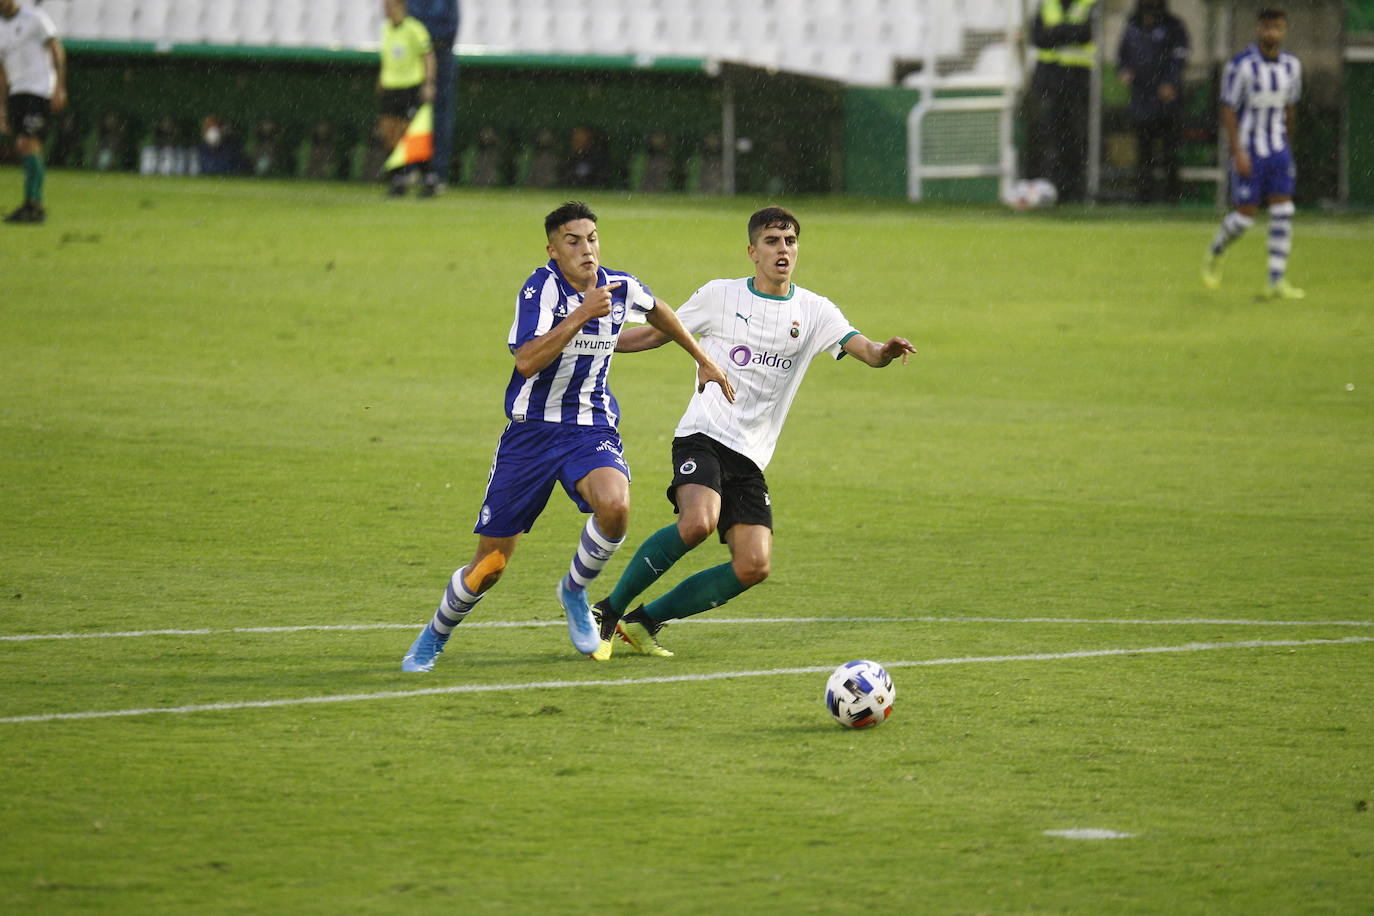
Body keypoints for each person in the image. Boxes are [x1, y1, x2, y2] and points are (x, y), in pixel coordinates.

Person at [401, 201, 736, 672]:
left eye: (592, 238)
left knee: (616, 506)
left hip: (589, 427)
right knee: (489, 566)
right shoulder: (539, 290)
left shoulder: (618, 286)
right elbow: (526, 361)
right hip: (530, 437)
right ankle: (435, 634)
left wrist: (699, 355)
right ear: (553, 250)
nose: (586, 249)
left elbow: (658, 309)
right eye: (573, 241)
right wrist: (579, 315)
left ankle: (575, 590)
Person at [590, 206, 916, 660]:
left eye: (790, 241)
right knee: (699, 522)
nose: (783, 249)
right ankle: (606, 611)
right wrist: (592, 341)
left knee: (753, 565)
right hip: (704, 433)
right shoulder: (719, 295)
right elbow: (654, 334)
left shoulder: (815, 311)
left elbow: (864, 349)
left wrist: (885, 351)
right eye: (772, 241)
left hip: (750, 455)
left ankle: (643, 622)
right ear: (752, 252)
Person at [1203, 5, 1304, 300]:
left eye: (1277, 27)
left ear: (1284, 30)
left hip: (1278, 149)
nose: (1272, 32)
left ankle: (1276, 279)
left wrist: (1286, 142)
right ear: (1258, 29)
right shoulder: (1241, 66)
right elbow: (1229, 108)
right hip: (1250, 149)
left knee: (1283, 210)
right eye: (1267, 27)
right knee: (1245, 217)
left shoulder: (1291, 66)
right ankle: (1216, 249)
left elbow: (1291, 107)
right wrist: (1237, 151)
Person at [1027, 0, 1101, 204]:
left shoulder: (1088, 3)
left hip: (1076, 83)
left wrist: (1055, 31)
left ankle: (1073, 192)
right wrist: (1068, 32)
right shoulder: (1047, 3)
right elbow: (1037, 37)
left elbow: (1086, 33)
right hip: (1049, 82)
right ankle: (1050, 190)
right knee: (1048, 138)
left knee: (1075, 140)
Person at [0, 0, 67, 225]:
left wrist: (59, 86)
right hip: (17, 91)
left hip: (37, 90)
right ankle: (32, 203)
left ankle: (34, 205)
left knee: (29, 142)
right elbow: (1, 71)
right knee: (22, 144)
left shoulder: (35, 18)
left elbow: (56, 49)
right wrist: (2, 106)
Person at [1116, 0, 1189, 204]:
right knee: (1143, 151)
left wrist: (1170, 83)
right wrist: (1124, 70)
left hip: (1166, 99)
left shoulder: (1174, 26)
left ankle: (1172, 197)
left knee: (1169, 151)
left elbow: (1180, 57)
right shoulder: (1132, 25)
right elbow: (1122, 57)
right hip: (1141, 97)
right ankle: (1143, 196)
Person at [376, 0, 436, 197]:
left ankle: (429, 177)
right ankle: (398, 178)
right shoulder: (385, 29)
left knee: (410, 134)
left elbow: (428, 56)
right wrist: (381, 80)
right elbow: (387, 59)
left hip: (409, 88)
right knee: (388, 132)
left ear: (399, 6)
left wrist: (428, 83)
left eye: (388, 5)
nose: (385, 9)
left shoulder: (414, 29)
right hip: (390, 88)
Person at [405, 0, 459, 194]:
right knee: (411, 115)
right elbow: (407, 25)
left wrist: (425, 37)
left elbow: (450, 28)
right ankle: (412, 168)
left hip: (440, 55)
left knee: (440, 118)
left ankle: (437, 172)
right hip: (415, 58)